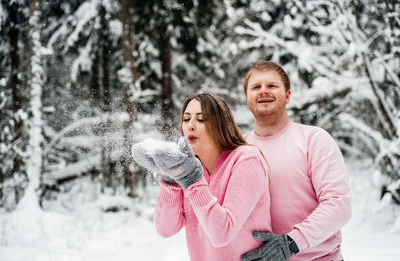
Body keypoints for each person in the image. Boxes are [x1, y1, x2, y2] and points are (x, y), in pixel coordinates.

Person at [131, 93, 272, 261]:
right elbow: (165, 229)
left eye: (201, 119)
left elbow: (222, 233)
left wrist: (192, 181)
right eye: (186, 119)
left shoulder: (247, 159)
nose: (190, 126)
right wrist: (170, 179)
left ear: (220, 124)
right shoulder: (189, 167)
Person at [240, 61, 352, 261]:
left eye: (272, 86)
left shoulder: (314, 139)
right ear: (247, 99)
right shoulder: (239, 150)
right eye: (256, 87)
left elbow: (338, 205)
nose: (263, 91)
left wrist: (291, 243)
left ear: (288, 95)